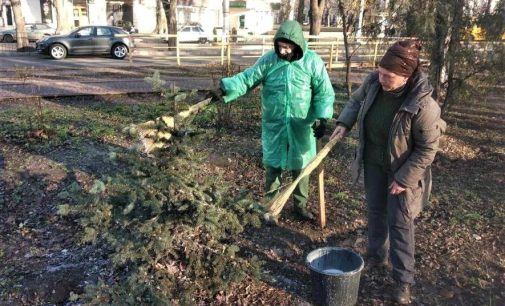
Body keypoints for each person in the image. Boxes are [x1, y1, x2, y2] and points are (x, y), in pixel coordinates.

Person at [330, 40, 445, 304]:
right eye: (380, 72)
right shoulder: (373, 83)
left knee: (400, 222)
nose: (381, 79)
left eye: (388, 76)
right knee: (375, 211)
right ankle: (375, 256)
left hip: (402, 171)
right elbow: (357, 101)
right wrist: (344, 122)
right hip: (373, 163)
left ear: (406, 76)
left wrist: (405, 178)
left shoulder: (423, 106)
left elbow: (428, 149)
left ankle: (403, 280)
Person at [210, 20, 335, 223]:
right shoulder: (269, 60)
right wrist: (226, 88)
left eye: (287, 47)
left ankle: (300, 205)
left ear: (297, 45)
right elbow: (247, 79)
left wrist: (322, 117)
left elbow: (324, 93)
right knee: (273, 166)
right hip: (274, 124)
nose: (283, 51)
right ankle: (271, 207)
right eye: (280, 46)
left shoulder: (312, 62)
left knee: (302, 167)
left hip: (302, 125)